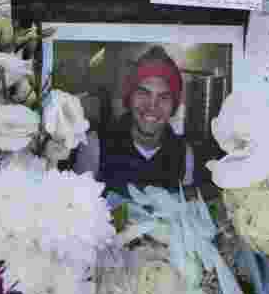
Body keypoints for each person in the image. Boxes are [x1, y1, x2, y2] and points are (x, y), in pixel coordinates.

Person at [74, 46, 194, 194]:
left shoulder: (184, 154)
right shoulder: (95, 145)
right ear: (129, 97)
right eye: (143, 93)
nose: (152, 106)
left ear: (174, 106)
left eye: (163, 97)